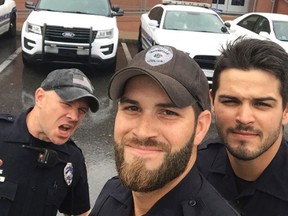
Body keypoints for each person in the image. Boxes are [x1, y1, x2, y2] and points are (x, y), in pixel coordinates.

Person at [90, 45, 240, 216]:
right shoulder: (111, 192)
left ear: (200, 127)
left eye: (168, 113)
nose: (143, 132)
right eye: (132, 108)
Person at [197, 38, 288, 216]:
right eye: (230, 101)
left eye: (262, 104)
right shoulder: (190, 169)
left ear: (286, 111)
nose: (244, 118)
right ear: (212, 102)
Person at [0, 68, 99, 216]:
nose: (74, 116)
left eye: (82, 110)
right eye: (66, 104)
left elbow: (80, 212)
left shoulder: (72, 158)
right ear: (40, 97)